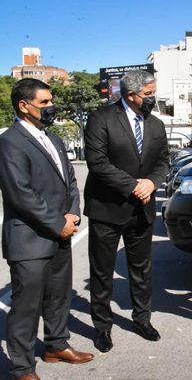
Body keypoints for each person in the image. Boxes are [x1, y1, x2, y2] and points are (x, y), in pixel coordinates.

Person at [0, 78, 94, 380]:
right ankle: (22, 368)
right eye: (44, 103)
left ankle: (56, 346)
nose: (51, 107)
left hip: (60, 234)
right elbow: (20, 192)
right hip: (29, 239)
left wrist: (72, 215)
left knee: (58, 297)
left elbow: (70, 180)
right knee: (26, 307)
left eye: (51, 101)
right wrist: (58, 223)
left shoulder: (51, 138)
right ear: (24, 106)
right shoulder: (10, 142)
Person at [84, 70, 169, 353]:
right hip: (107, 209)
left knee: (142, 271)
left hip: (141, 210)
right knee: (102, 272)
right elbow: (97, 163)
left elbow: (163, 162)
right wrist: (133, 185)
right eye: (148, 94)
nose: (153, 98)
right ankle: (103, 327)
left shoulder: (156, 124)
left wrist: (151, 183)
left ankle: (142, 319)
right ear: (131, 96)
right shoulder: (101, 119)